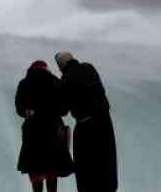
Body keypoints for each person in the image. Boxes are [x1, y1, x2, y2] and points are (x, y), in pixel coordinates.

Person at [55, 51, 118, 192]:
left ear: (60, 67)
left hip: (86, 127)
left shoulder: (66, 80)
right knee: (106, 165)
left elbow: (63, 109)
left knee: (85, 170)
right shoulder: (89, 67)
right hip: (104, 122)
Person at [15, 60, 74, 192]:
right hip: (53, 130)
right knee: (52, 171)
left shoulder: (24, 83)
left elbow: (19, 109)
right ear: (46, 69)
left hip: (32, 132)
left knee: (36, 172)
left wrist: (27, 111)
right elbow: (64, 110)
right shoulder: (56, 82)